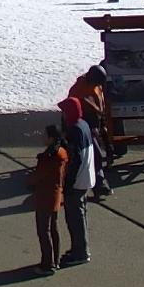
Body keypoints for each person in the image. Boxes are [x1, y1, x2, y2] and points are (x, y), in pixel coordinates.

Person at [59, 96, 96, 266]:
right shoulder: (84, 125)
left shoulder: (74, 130)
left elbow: (75, 159)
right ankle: (80, 248)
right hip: (87, 177)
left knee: (74, 217)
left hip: (77, 180)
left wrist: (68, 183)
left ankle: (80, 252)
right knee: (80, 215)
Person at [27, 125, 68, 275]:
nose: (42, 137)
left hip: (45, 196)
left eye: (45, 135)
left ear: (50, 138)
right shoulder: (62, 152)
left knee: (44, 231)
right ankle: (54, 261)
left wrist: (29, 180)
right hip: (56, 195)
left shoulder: (49, 157)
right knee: (53, 228)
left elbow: (38, 176)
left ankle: (48, 264)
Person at [66, 65, 112, 199]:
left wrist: (102, 126)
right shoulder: (78, 90)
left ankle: (96, 184)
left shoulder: (96, 86)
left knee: (95, 155)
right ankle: (99, 185)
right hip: (83, 126)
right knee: (96, 155)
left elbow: (99, 106)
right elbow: (71, 111)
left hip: (94, 124)